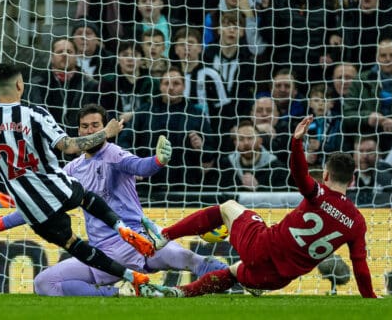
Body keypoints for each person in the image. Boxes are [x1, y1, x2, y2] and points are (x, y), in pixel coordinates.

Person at [0, 103, 227, 296]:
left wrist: (159, 160)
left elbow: (140, 167)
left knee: (190, 258)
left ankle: (236, 280)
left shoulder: (113, 153)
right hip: (106, 254)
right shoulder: (71, 170)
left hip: (139, 241)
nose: (90, 130)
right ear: (79, 131)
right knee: (44, 283)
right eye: (84, 126)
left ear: (105, 127)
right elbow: (37, 207)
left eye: (95, 125)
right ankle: (120, 296)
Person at [0, 63, 155, 295]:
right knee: (86, 198)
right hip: (59, 187)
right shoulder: (35, 113)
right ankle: (123, 229)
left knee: (75, 245)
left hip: (34, 207)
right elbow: (70, 147)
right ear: (20, 85)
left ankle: (131, 279)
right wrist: (105, 133)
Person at [141, 115, 378, 298]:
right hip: (276, 280)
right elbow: (360, 265)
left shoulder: (319, 193)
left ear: (325, 175)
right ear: (352, 180)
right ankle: (181, 292)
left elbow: (298, 173)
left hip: (262, 249)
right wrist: (370, 298)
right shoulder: (357, 222)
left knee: (229, 206)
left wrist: (296, 142)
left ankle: (165, 235)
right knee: (234, 271)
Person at [117, 65, 216, 190]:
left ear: (184, 86)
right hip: (147, 184)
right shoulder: (145, 112)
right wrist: (133, 165)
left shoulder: (196, 114)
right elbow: (124, 141)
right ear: (160, 86)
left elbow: (211, 152)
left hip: (185, 185)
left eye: (176, 83)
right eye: (166, 83)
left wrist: (201, 147)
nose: (171, 88)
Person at [211, 119, 289, 192]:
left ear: (260, 141)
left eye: (250, 138)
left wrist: (258, 188)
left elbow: (282, 199)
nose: (246, 143)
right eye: (241, 139)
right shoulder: (225, 165)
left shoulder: (276, 167)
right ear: (235, 143)